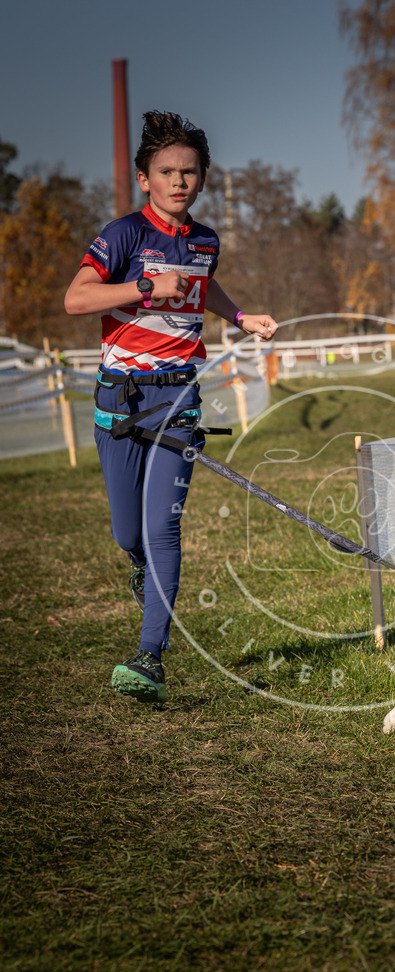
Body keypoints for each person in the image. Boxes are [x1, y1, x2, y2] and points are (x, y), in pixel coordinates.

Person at [64, 110, 278, 703]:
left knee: (163, 526)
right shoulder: (123, 234)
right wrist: (143, 287)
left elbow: (203, 286)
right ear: (145, 178)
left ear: (202, 179)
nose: (179, 181)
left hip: (179, 397)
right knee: (126, 531)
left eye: (189, 172)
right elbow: (76, 299)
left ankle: (149, 656)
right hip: (120, 400)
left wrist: (240, 317)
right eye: (166, 171)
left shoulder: (206, 240)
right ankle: (137, 563)